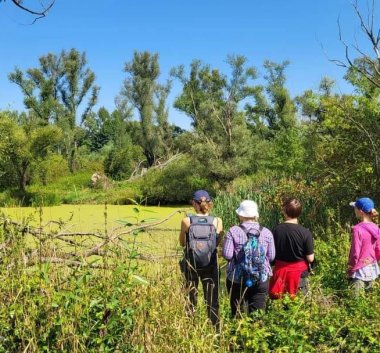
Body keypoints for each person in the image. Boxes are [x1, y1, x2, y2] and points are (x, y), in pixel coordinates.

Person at [222, 200, 275, 317]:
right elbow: (271, 257)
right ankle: (255, 333)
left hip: (237, 278)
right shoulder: (267, 232)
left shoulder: (233, 231)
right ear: (256, 215)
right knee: (257, 314)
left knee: (237, 313)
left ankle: (237, 332)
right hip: (261, 277)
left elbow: (227, 255)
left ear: (240, 215)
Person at [179, 190, 223, 327]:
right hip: (210, 265)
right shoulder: (217, 221)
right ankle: (215, 328)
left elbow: (182, 243)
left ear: (194, 203)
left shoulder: (186, 221)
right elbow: (218, 242)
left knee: (190, 297)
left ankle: (191, 328)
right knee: (212, 299)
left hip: (191, 264)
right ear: (209, 203)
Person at [269, 198, 314, 299]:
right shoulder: (305, 232)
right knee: (299, 306)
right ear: (299, 212)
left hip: (280, 273)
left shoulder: (275, 230)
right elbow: (310, 258)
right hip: (299, 275)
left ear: (285, 212)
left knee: (278, 305)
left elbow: (271, 254)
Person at [348, 197, 380, 296]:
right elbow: (378, 249)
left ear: (361, 211)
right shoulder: (376, 228)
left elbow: (355, 253)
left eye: (355, 208)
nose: (354, 210)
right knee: (370, 300)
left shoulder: (357, 229)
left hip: (359, 271)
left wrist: (350, 269)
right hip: (373, 268)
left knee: (356, 302)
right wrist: (373, 260)